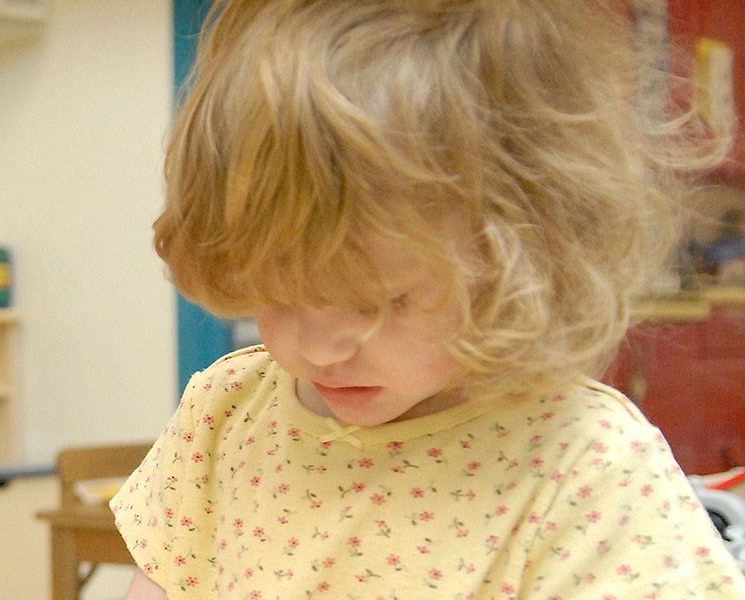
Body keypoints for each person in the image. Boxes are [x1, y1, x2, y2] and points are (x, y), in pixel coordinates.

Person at [112, 0, 745, 597]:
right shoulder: (225, 416)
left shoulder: (587, 466)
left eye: (379, 303)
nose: (318, 349)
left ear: (521, 260)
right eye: (278, 292)